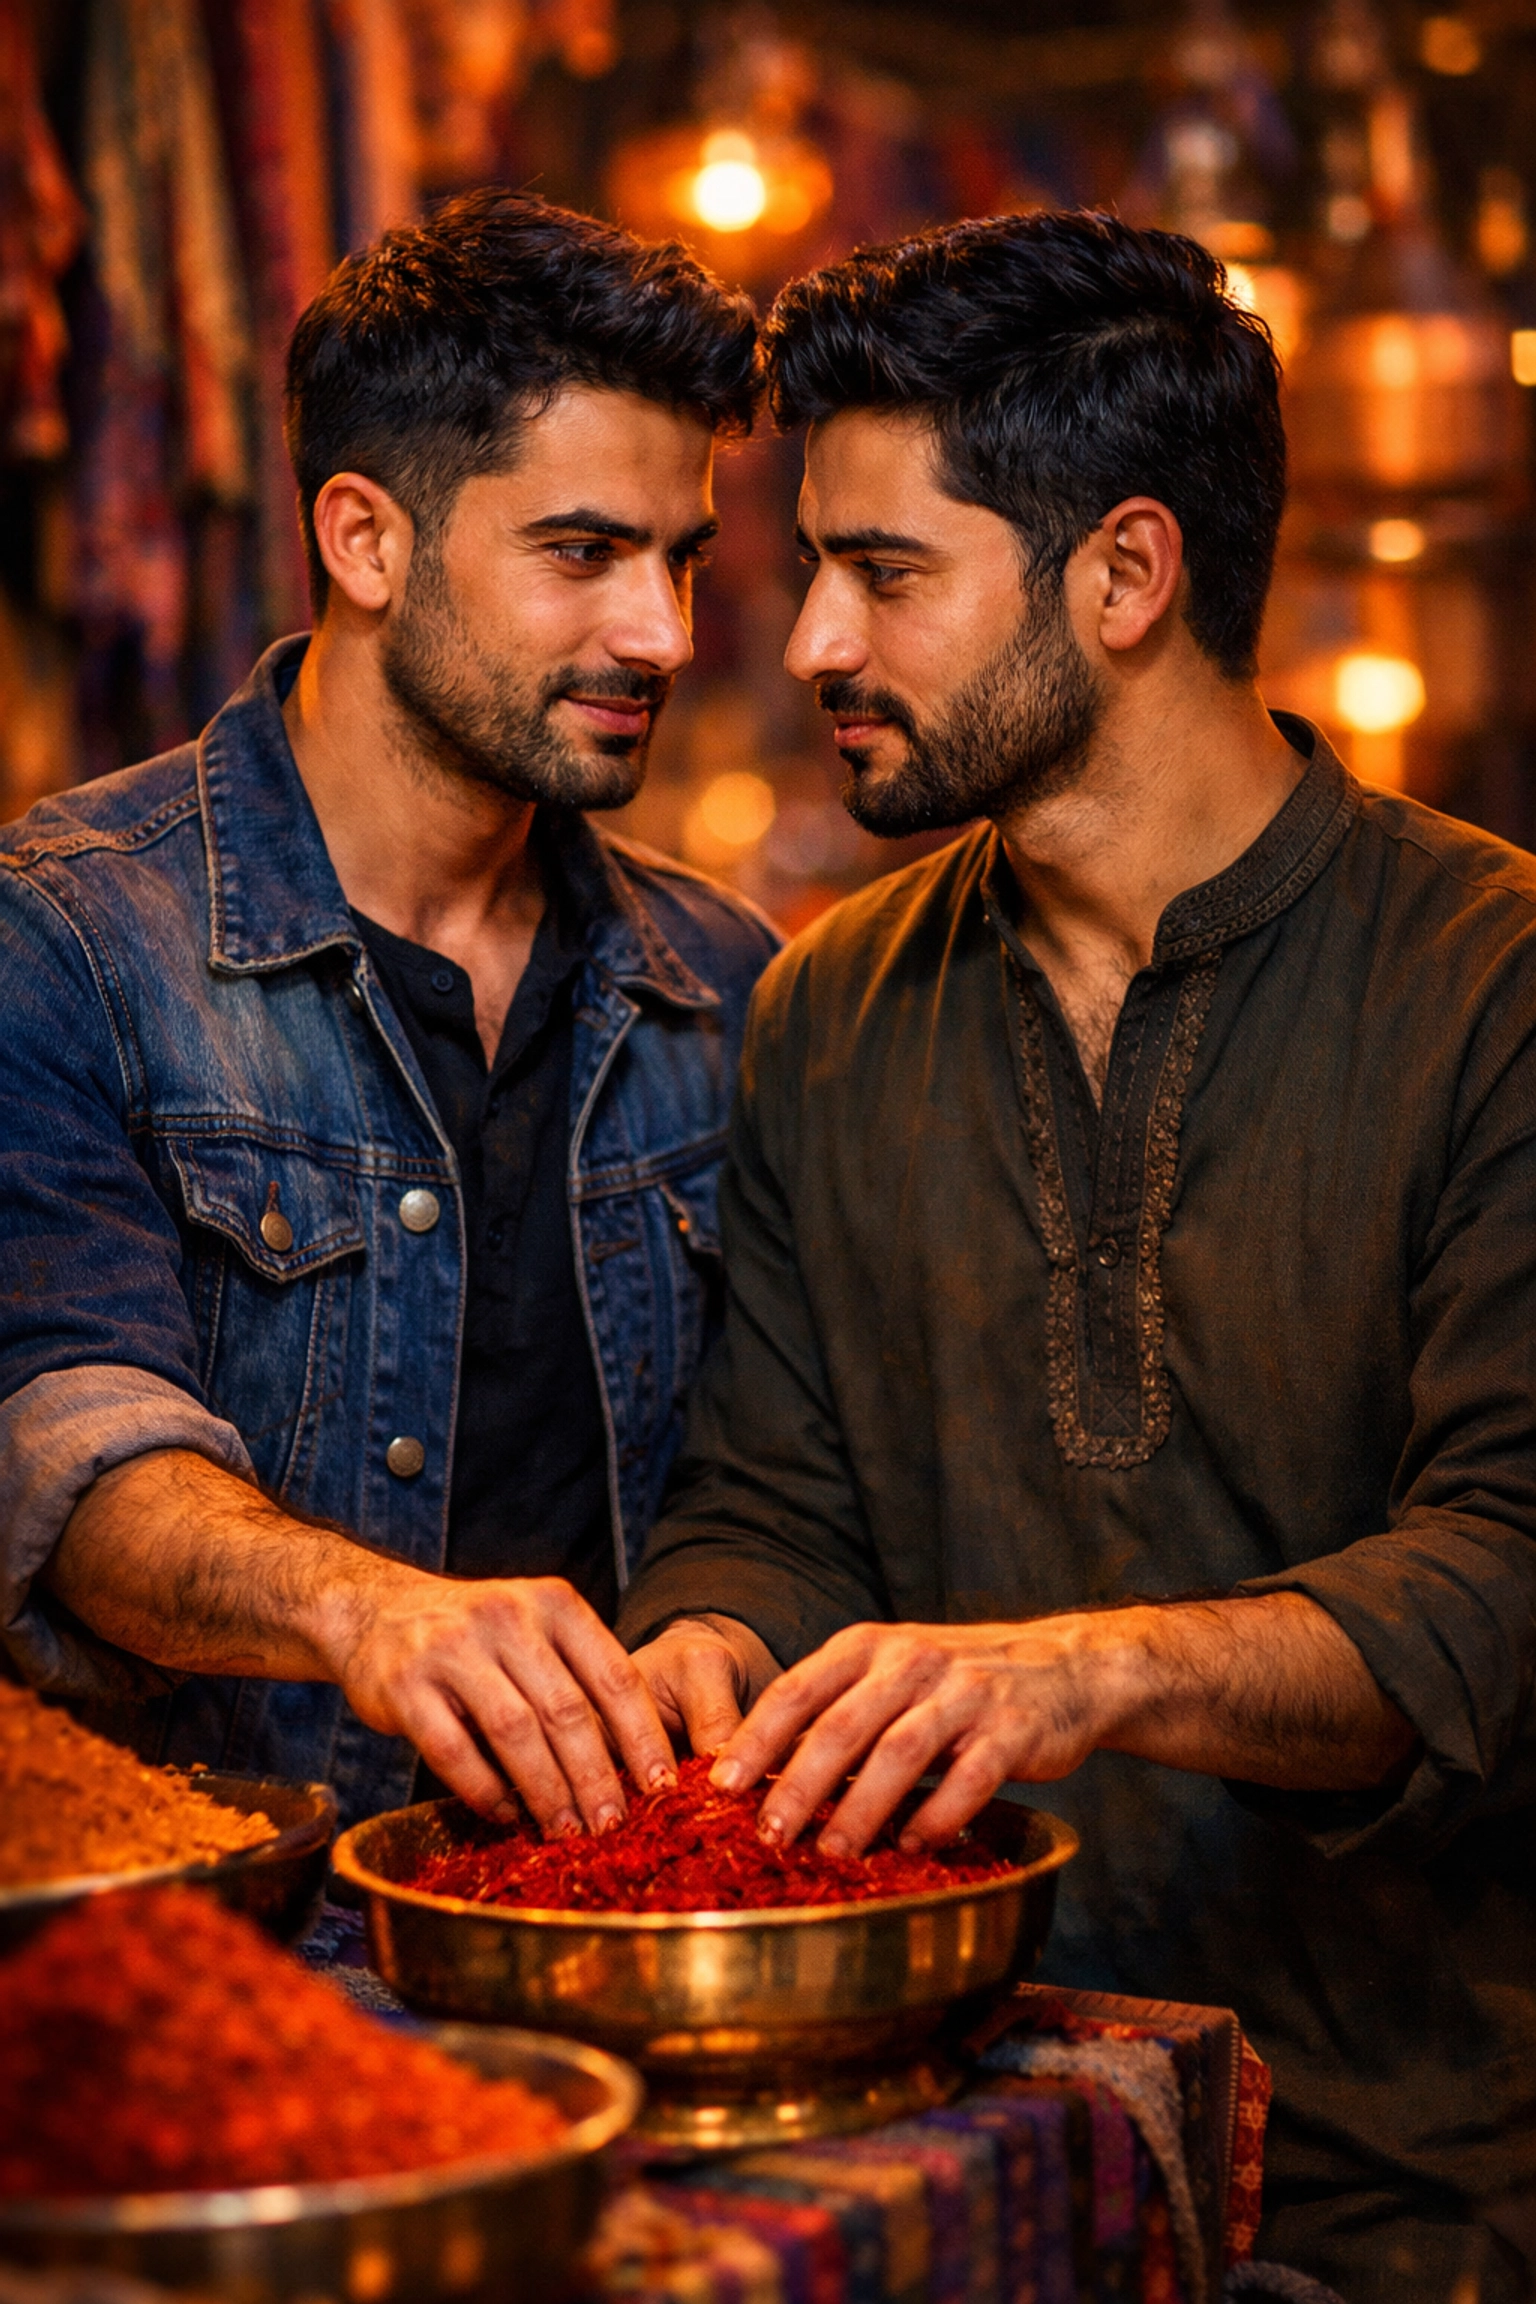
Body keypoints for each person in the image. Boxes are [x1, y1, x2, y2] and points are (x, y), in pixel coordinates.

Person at [621, 213, 1536, 2300]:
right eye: (816, 569)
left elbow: (1504, 1573)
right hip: (945, 2140)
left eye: (886, 572)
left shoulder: (1494, 981)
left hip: (1395, 2186)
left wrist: (1100, 1662)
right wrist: (707, 1650)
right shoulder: (832, 1004)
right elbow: (772, 1504)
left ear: (1125, 577)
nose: (813, 647)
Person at [0, 190, 779, 1834]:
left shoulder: (726, 982)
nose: (662, 633)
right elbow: (61, 1441)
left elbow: (770, 1467)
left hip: (608, 1916)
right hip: (225, 1929)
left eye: (681, 557)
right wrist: (367, 1611)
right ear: (366, 539)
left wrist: (730, 1612)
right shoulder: (66, 935)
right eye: (582, 552)